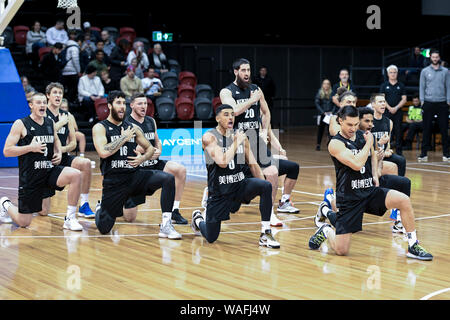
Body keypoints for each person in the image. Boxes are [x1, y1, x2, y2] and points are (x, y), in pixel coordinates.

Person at [308, 105, 433, 261]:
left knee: (404, 200)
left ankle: (413, 245)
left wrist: (374, 174)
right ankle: (326, 230)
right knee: (341, 250)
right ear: (340, 121)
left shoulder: (362, 135)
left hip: (369, 191)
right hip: (349, 197)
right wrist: (369, 143)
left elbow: (373, 155)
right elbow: (356, 164)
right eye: (349, 125)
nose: (353, 128)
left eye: (355, 124)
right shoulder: (336, 143)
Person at [220, 58, 301, 224]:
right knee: (235, 203)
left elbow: (266, 112)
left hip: (257, 143)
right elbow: (233, 111)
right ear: (236, 71)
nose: (247, 73)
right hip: (238, 145)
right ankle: (211, 193)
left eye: (249, 70)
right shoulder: (226, 92)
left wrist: (265, 131)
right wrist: (252, 100)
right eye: (243, 70)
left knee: (272, 172)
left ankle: (269, 212)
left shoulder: (256, 89)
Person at [92, 91, 179, 238]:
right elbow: (103, 152)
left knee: (168, 179)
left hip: (134, 176)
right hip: (114, 181)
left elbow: (150, 148)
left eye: (123, 104)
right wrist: (123, 138)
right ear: (109, 106)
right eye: (118, 103)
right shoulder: (100, 127)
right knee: (104, 227)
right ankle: (101, 209)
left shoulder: (132, 127)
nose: (122, 107)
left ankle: (166, 224)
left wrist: (143, 159)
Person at [190, 104, 280, 248]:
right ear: (217, 118)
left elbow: (253, 164)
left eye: (232, 114)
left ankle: (265, 233)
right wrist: (237, 141)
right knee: (212, 237)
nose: (230, 117)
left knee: (266, 185)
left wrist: (264, 188)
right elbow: (223, 162)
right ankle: (198, 219)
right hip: (219, 193)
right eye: (226, 114)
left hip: (239, 186)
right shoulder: (209, 137)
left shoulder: (240, 136)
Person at [1, 92, 83, 231]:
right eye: (39, 102)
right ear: (31, 105)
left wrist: (58, 151)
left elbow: (56, 139)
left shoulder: (50, 122)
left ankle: (70, 218)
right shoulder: (21, 124)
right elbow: (7, 151)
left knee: (76, 174)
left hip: (48, 170)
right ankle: (5, 204)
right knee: (24, 222)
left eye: (44, 102)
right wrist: (30, 148)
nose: (43, 105)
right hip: (31, 177)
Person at [123, 93, 188, 224]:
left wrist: (158, 150)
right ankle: (111, 203)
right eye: (140, 104)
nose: (143, 107)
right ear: (132, 105)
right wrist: (149, 149)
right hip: (138, 170)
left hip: (153, 163)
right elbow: (133, 149)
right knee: (130, 218)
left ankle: (174, 211)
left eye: (145, 104)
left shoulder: (151, 120)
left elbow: (157, 141)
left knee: (180, 170)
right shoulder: (126, 123)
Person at [43, 83, 95, 218]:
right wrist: (60, 124)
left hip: (62, 156)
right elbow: (42, 132)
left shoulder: (68, 116)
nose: (58, 96)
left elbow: (73, 143)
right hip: (45, 161)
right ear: (48, 95)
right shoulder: (42, 113)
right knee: (43, 212)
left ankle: (84, 204)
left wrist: (61, 150)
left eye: (60, 93)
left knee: (86, 163)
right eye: (55, 93)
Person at [418, 49, 450, 162]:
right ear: (430, 58)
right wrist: (422, 100)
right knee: (426, 129)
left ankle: (447, 154)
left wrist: (448, 100)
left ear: (439, 57)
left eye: (437, 57)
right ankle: (423, 154)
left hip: (442, 104)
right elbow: (421, 87)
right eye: (433, 57)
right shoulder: (425, 71)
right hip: (428, 102)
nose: (435, 59)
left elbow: (448, 86)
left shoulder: (446, 71)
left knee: (444, 129)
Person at [371, 93, 407, 176]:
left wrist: (387, 150)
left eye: (384, 101)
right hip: (372, 154)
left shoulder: (389, 122)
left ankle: (399, 183)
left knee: (401, 160)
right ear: (373, 104)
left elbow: (388, 143)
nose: (383, 104)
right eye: (380, 102)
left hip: (384, 153)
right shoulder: (369, 121)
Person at [380, 65, 407, 155]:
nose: (393, 74)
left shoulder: (401, 85)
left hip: (398, 112)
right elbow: (382, 98)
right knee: (387, 131)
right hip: (387, 112)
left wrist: (395, 108)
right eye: (391, 72)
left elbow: (404, 99)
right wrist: (390, 108)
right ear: (388, 74)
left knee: (398, 131)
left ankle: (399, 152)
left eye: (394, 72)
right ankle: (386, 151)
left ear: (397, 73)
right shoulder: (384, 85)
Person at [61, 33, 82, 104]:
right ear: (78, 41)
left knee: (65, 88)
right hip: (72, 71)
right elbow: (75, 60)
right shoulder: (74, 48)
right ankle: (69, 102)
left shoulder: (66, 46)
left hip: (64, 70)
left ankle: (64, 102)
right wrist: (78, 71)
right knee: (72, 88)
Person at [315, 79, 333, 150]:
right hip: (322, 114)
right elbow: (317, 103)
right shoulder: (319, 93)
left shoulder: (332, 93)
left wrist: (332, 112)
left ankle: (330, 145)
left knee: (330, 130)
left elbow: (334, 104)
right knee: (320, 130)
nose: (326, 85)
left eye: (328, 84)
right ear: (322, 85)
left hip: (330, 115)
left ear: (329, 85)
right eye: (325, 83)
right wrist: (323, 112)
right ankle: (318, 144)